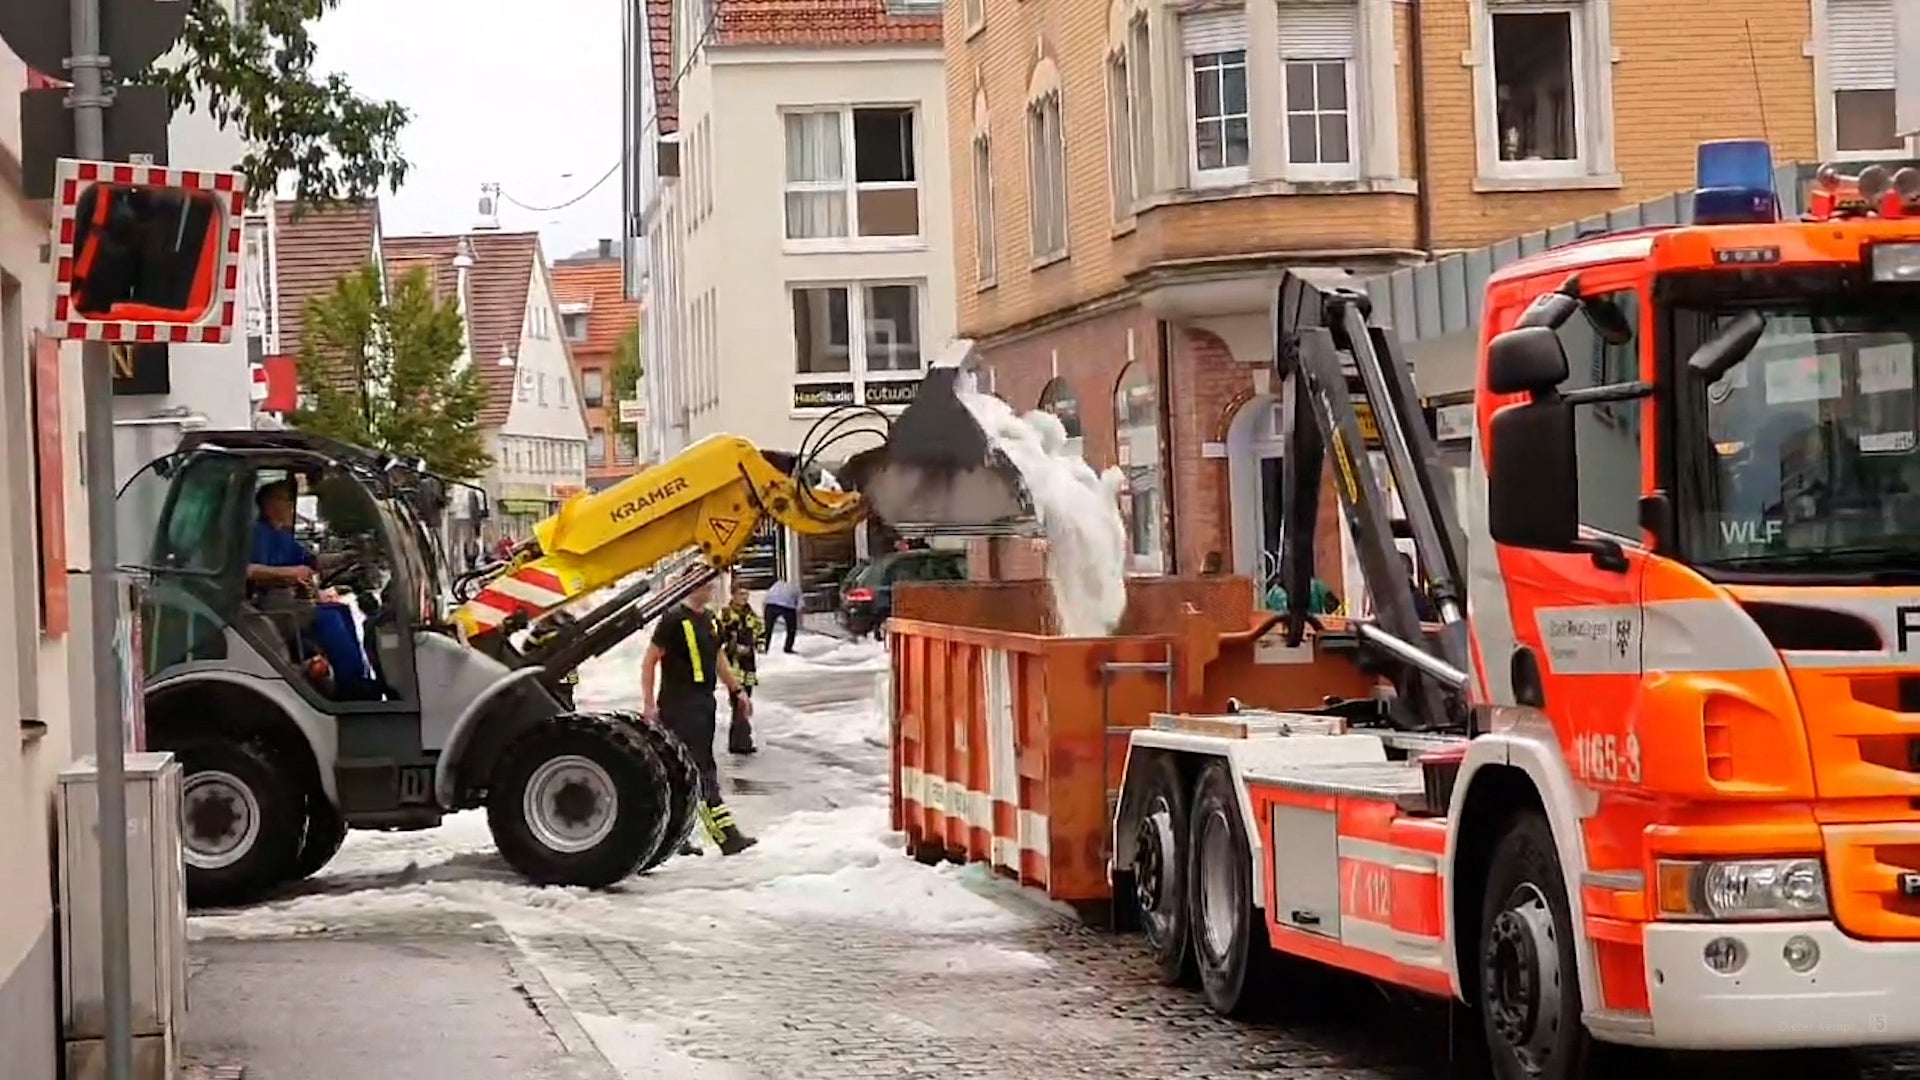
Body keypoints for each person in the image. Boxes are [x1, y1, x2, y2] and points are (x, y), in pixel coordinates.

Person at [642, 580, 758, 856]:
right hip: (679, 703)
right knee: (699, 769)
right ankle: (725, 836)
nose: (710, 590)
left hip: (704, 702)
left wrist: (737, 690)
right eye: (705, 585)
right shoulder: (672, 620)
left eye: (711, 585)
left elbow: (718, 657)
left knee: (685, 770)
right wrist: (648, 704)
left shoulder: (709, 620)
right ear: (690, 587)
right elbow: (649, 660)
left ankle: (676, 837)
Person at [247, 480, 375, 698]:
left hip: (289, 604)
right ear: (270, 504)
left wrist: (349, 557)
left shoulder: (282, 536)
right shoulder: (259, 534)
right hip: (271, 607)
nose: (291, 506)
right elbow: (249, 570)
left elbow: (312, 561)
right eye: (287, 500)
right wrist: (291, 573)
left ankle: (358, 678)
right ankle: (352, 688)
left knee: (339, 610)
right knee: (329, 619)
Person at [715, 583, 764, 754]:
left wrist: (759, 644)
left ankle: (739, 739)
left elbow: (760, 630)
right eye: (741, 594)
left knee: (746, 699)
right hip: (733, 664)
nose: (744, 597)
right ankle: (741, 740)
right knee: (738, 701)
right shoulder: (726, 614)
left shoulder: (751, 614)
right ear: (733, 595)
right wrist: (732, 647)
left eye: (746, 594)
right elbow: (718, 637)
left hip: (748, 664)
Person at [762, 576, 801, 654]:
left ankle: (764, 647)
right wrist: (798, 620)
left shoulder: (774, 586)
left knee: (768, 628)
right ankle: (788, 648)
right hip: (788, 606)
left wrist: (765, 616)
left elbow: (765, 600)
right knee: (791, 629)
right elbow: (800, 605)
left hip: (771, 605)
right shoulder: (796, 588)